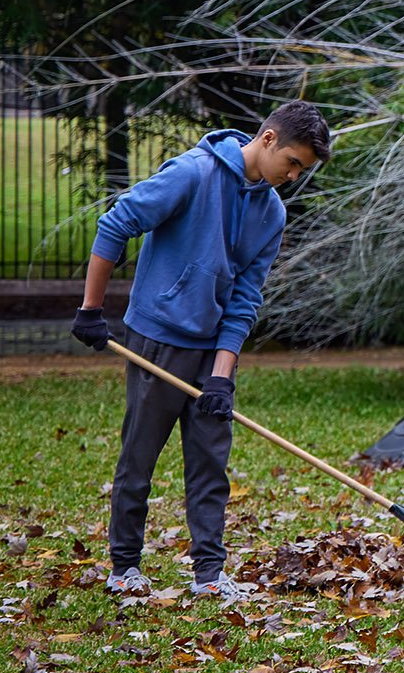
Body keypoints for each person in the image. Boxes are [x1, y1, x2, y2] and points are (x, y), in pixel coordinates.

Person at [72, 100, 333, 602]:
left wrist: (221, 375)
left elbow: (244, 299)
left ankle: (208, 574)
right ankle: (124, 567)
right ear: (269, 138)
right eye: (294, 163)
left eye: (304, 170)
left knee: (211, 462)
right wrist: (91, 309)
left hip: (211, 347)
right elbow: (116, 223)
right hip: (160, 339)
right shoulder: (192, 174)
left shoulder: (272, 213)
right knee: (139, 457)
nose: (294, 176)